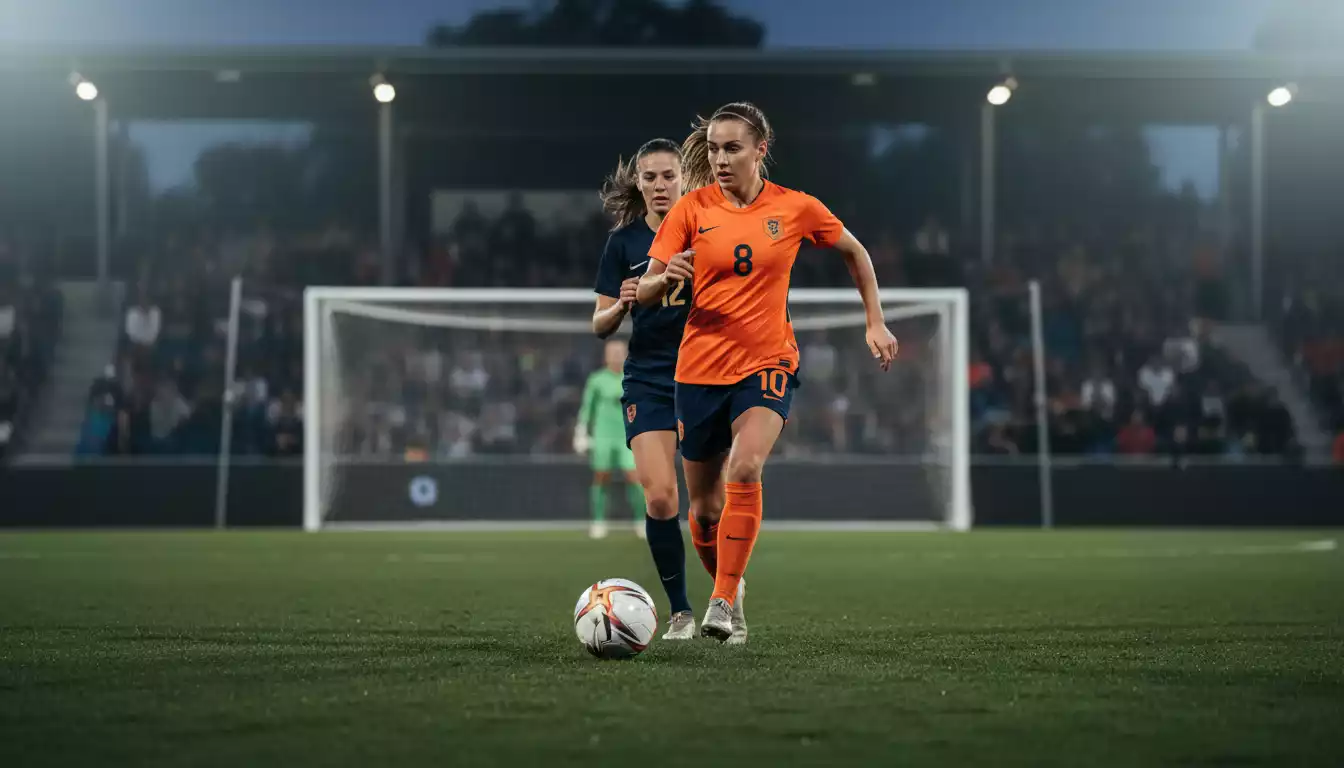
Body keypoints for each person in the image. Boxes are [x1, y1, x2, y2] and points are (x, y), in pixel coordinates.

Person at [638, 102, 898, 643]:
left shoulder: (797, 208)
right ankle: (732, 593)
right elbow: (644, 288)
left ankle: (721, 599)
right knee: (705, 512)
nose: (720, 158)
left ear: (761, 149)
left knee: (747, 467)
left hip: (767, 361)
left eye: (732, 148)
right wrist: (663, 282)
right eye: (712, 148)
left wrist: (875, 320)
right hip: (699, 369)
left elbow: (855, 252)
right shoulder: (691, 209)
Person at [589, 138, 712, 641]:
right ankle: (681, 610)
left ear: (685, 178)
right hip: (649, 378)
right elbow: (599, 323)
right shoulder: (623, 244)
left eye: (668, 176)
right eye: (650, 178)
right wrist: (621, 308)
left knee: (710, 508)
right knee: (661, 499)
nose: (660, 186)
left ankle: (729, 589)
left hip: (708, 374)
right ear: (638, 184)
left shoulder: (711, 230)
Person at [574, 339, 646, 542]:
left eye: (619, 352)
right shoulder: (596, 380)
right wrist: (580, 432)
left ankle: (641, 521)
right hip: (602, 435)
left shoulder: (634, 378)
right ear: (605, 356)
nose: (615, 356)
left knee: (634, 477)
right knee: (601, 476)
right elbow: (588, 407)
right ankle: (598, 521)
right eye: (611, 352)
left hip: (627, 436)